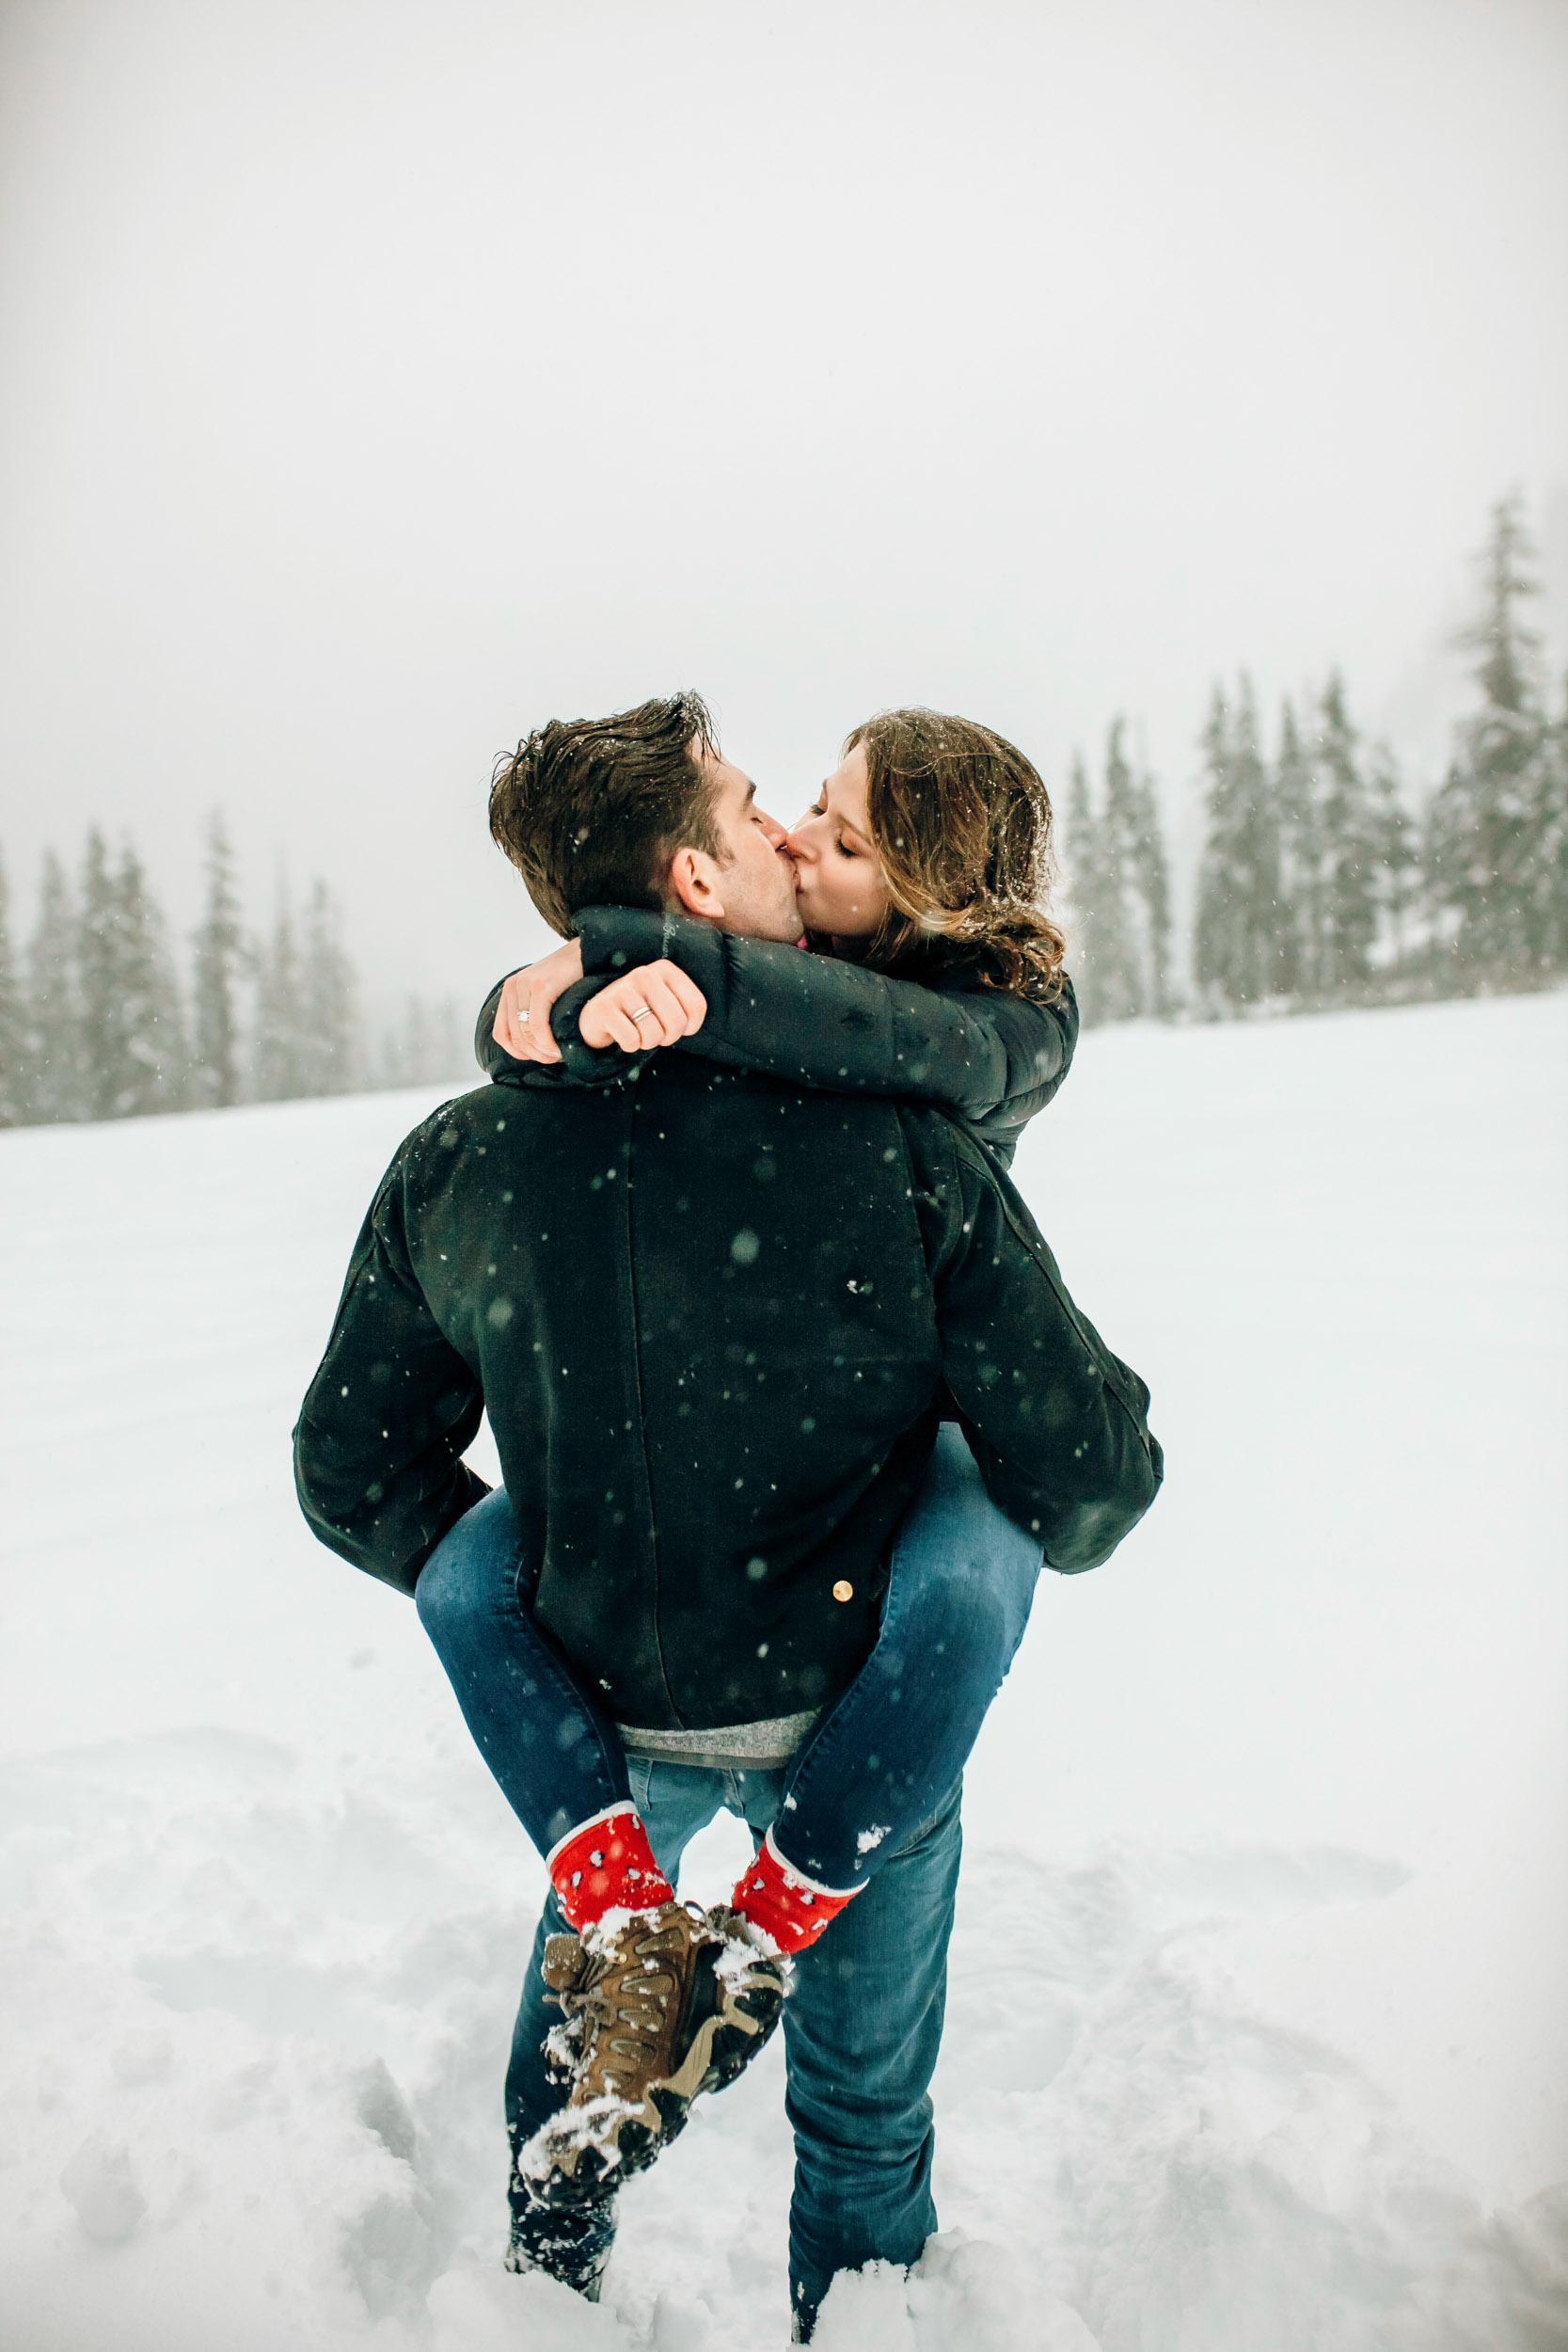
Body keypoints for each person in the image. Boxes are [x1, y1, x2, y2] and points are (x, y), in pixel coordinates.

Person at [293, 692, 1162, 2338]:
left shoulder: (460, 1160)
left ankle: (546, 2285)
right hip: (860, 1701)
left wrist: (504, 1566)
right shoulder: (904, 1148)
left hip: (600, 1703)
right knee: (862, 2129)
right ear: (696, 880)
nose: (785, 832)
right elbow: (1093, 1480)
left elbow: (351, 1473)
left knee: (569, 2091)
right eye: (760, 807)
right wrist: (1015, 1481)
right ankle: (863, 2305)